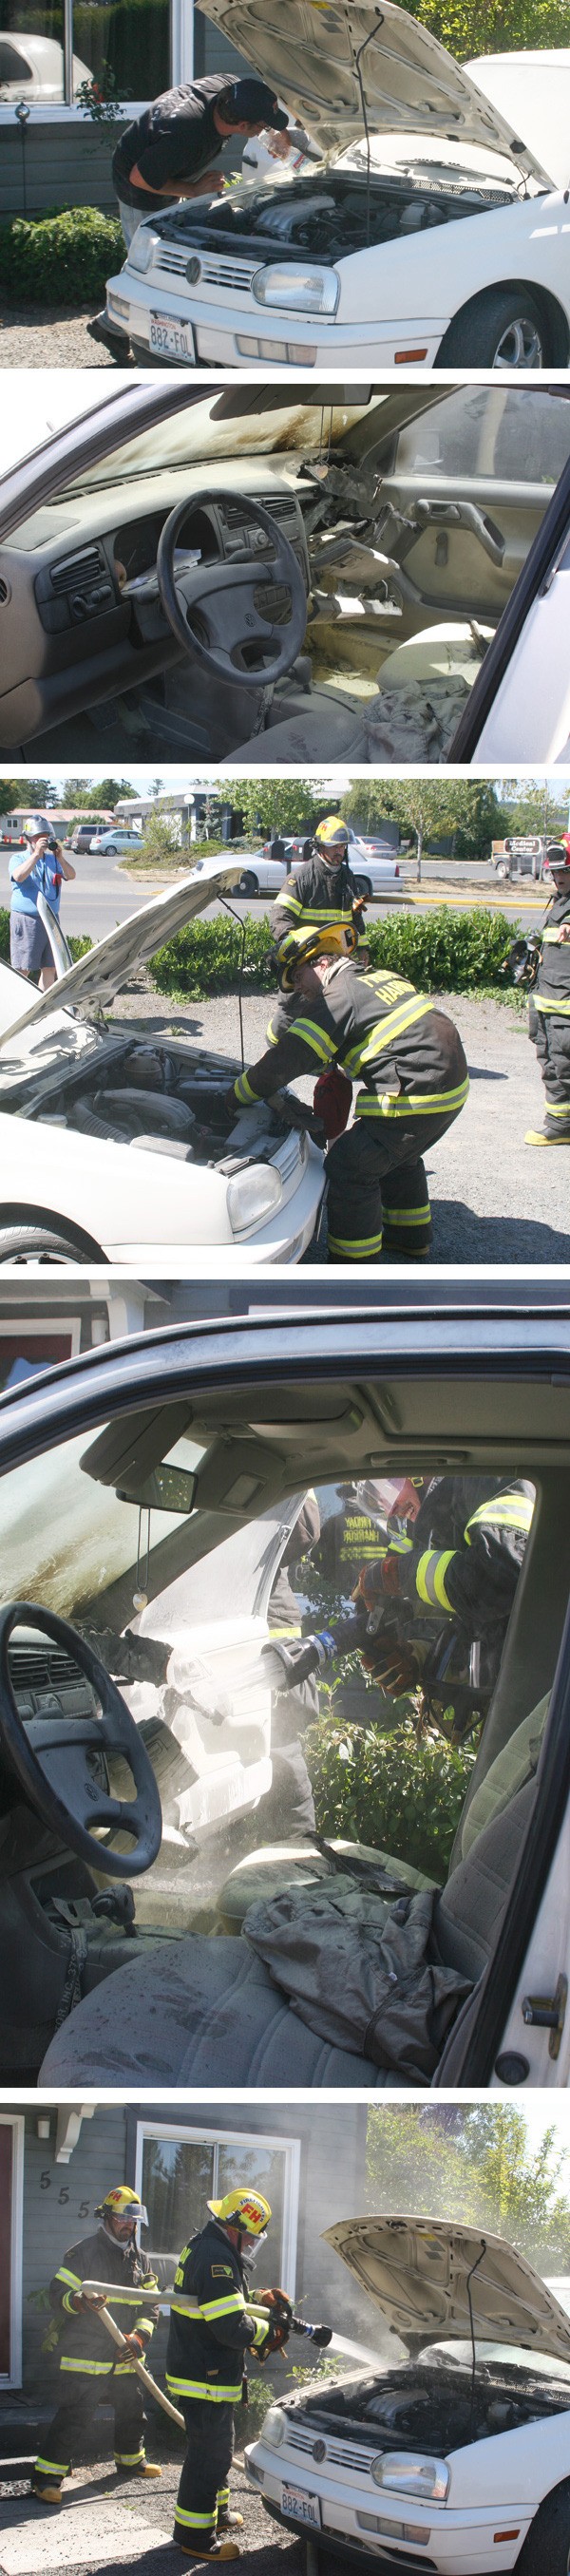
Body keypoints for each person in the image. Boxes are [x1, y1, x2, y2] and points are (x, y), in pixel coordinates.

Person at [231, 928, 469, 1262]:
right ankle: (410, 1240)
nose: (298, 988)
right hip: (449, 1084)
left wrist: (234, 1096)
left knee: (349, 1166)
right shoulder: (379, 976)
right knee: (397, 1157)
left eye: (298, 977)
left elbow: (288, 1059)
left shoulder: (337, 997)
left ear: (323, 961)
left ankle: (354, 1265)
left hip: (419, 1094)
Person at [32, 2187, 161, 2507]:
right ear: (106, 2217)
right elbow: (57, 2295)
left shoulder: (141, 2260)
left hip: (124, 2353)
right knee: (75, 2415)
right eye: (122, 2218)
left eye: (133, 2220)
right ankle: (47, 2477)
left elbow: (152, 2306)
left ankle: (130, 2459)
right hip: (85, 2355)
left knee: (133, 2409)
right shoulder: (83, 2253)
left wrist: (139, 2338)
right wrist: (79, 2301)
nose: (128, 2225)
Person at [166, 2187, 275, 2560]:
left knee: (218, 2446)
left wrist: (255, 2298)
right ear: (237, 2228)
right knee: (209, 2455)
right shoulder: (215, 2256)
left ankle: (219, 2513)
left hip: (203, 2368)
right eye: (250, 2238)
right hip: (205, 2374)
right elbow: (229, 2326)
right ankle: (196, 2538)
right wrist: (268, 2332)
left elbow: (221, 2297)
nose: (250, 2247)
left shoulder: (209, 2246)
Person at [112, 77, 289, 247]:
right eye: (265, 126)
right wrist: (193, 190)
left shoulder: (228, 87)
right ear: (242, 125)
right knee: (149, 257)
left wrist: (279, 133)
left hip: (161, 158)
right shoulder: (185, 137)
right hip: (141, 188)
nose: (266, 130)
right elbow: (138, 178)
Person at [524, 841, 570, 1146]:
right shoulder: (558, 901)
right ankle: (560, 1123)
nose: (560, 877)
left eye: (565, 871)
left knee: (565, 1061)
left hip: (564, 1004)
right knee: (551, 1060)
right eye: (555, 872)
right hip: (546, 998)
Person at [10, 817, 75, 990]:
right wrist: (36, 855)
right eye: (38, 837)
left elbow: (71, 875)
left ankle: (43, 1008)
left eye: (46, 836)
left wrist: (60, 858)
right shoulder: (18, 858)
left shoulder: (53, 860)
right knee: (23, 968)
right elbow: (19, 876)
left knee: (50, 967)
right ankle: (16, 1006)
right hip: (27, 919)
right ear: (27, 838)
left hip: (51, 919)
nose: (42, 840)